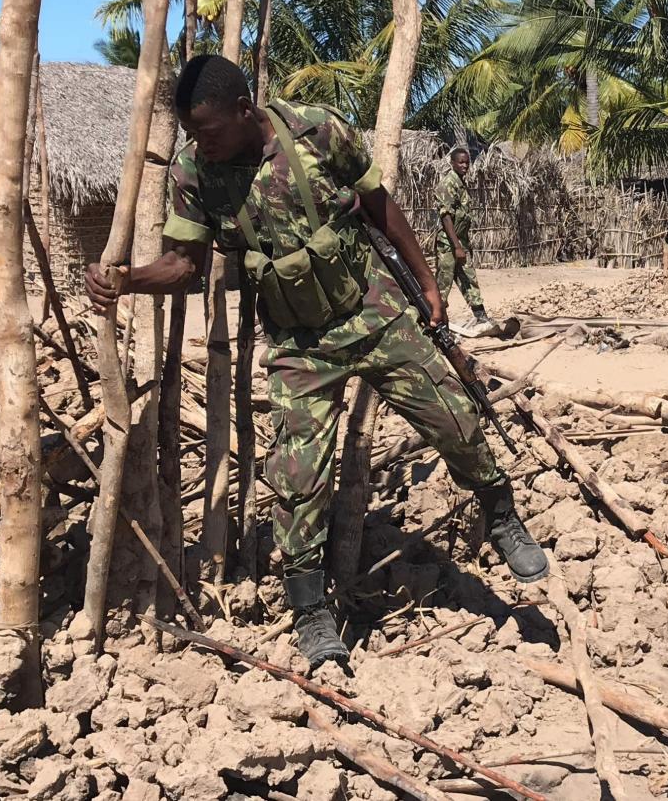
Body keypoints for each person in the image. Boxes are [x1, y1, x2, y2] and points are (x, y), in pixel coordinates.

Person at [85, 55, 548, 670]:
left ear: (246, 111)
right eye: (195, 135)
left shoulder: (317, 131)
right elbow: (186, 266)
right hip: (300, 345)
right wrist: (130, 279)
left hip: (373, 310)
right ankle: (310, 612)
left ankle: (499, 513)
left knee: (455, 420)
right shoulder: (197, 171)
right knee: (299, 481)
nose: (203, 145)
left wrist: (428, 283)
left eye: (212, 131)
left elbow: (380, 204)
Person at [435, 148, 495, 334]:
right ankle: (438, 323)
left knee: (468, 278)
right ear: (452, 163)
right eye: (461, 162)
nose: (465, 166)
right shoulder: (448, 184)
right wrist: (456, 246)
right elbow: (446, 218)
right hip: (448, 244)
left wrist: (462, 245)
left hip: (460, 242)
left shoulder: (461, 184)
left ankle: (481, 316)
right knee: (443, 284)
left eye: (467, 162)